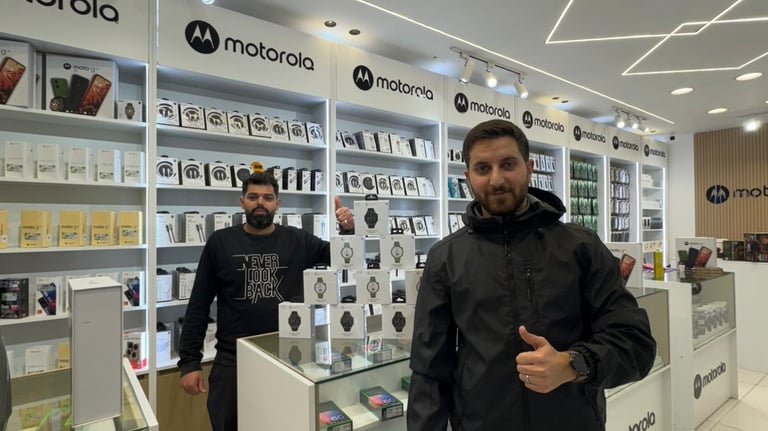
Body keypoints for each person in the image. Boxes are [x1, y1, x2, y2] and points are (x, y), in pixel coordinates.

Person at [407, 119, 656, 431]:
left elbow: (635, 343)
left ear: (528, 168)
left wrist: (573, 364)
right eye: (483, 169)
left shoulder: (580, 247)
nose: (496, 179)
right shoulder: (446, 258)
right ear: (468, 177)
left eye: (507, 164)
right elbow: (429, 371)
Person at [178, 172, 354, 431]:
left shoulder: (298, 240)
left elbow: (341, 257)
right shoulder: (220, 242)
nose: (260, 202)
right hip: (233, 359)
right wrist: (189, 362)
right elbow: (199, 303)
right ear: (242, 201)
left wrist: (347, 230)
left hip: (288, 356)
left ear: (277, 204)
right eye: (253, 197)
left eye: (267, 198)